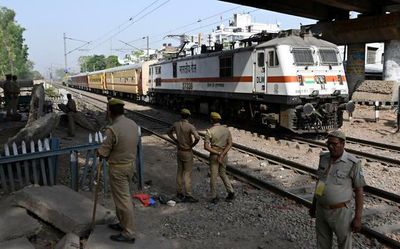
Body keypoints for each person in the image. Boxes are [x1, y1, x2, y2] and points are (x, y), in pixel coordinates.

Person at [309, 130, 366, 249]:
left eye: (334, 144)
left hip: (340, 212)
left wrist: (358, 217)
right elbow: (321, 183)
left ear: (343, 144)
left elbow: (359, 191)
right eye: (328, 144)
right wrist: (314, 204)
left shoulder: (353, 163)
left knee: (344, 243)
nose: (330, 147)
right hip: (321, 209)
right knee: (322, 243)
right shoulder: (324, 158)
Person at [97, 98, 138, 244]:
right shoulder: (132, 124)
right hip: (129, 166)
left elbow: (103, 153)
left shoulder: (112, 129)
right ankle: (122, 223)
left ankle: (128, 233)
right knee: (121, 199)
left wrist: (99, 151)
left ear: (109, 112)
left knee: (124, 201)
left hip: (118, 169)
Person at [167, 108, 200, 203]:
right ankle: (188, 195)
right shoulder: (190, 126)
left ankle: (179, 192)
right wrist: (192, 145)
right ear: (189, 116)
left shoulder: (176, 124)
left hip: (179, 151)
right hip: (187, 152)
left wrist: (175, 140)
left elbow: (168, 132)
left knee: (179, 172)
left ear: (181, 115)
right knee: (187, 173)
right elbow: (197, 137)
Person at [204, 112, 235, 204]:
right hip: (224, 154)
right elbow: (230, 144)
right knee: (223, 173)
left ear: (211, 120)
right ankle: (231, 192)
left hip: (214, 155)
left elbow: (206, 147)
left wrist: (217, 153)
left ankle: (214, 197)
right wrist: (222, 154)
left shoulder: (209, 131)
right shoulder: (226, 130)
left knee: (213, 176)